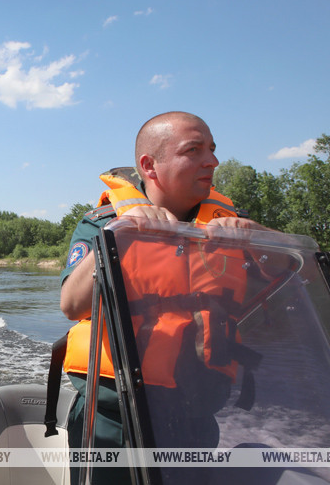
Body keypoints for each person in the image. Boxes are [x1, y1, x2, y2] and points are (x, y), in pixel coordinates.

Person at [58, 111, 272, 484]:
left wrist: (262, 242)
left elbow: (281, 320)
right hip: (115, 417)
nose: (213, 161)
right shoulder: (105, 221)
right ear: (149, 165)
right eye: (195, 150)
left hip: (196, 416)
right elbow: (71, 305)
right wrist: (120, 237)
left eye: (212, 150)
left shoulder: (231, 226)